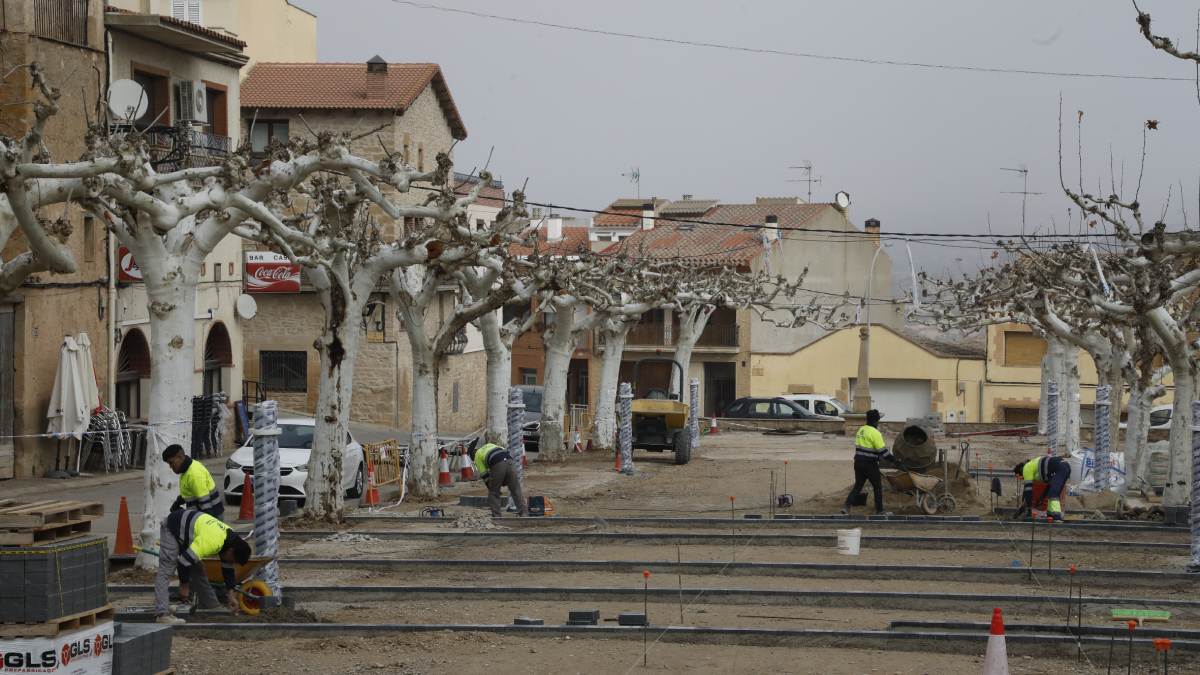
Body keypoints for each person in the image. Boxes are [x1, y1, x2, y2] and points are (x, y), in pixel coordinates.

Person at [154, 509, 251, 624]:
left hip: (188, 533)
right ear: (230, 551)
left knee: (198, 568)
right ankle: (161, 614)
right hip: (172, 526)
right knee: (166, 569)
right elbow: (183, 562)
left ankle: (211, 605)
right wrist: (185, 586)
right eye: (232, 560)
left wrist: (231, 594)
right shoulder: (213, 542)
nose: (231, 563)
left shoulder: (230, 540)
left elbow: (228, 569)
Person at [162, 444, 223, 604]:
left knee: (192, 557)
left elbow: (205, 503)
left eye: (171, 462)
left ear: (180, 458)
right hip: (198, 518)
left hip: (209, 518)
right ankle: (189, 594)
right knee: (191, 558)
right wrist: (177, 503)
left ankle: (190, 593)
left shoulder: (194, 473)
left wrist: (207, 527)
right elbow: (188, 492)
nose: (170, 466)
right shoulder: (185, 470)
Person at [842, 409, 896, 516]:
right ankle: (880, 510)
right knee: (877, 486)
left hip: (858, 463)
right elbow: (883, 452)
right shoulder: (875, 433)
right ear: (877, 421)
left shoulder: (861, 430)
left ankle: (846, 507)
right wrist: (894, 460)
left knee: (858, 486)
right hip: (869, 464)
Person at [471, 442, 528, 517]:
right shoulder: (490, 445)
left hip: (497, 464)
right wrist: (504, 477)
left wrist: (492, 486)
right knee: (515, 489)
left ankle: (497, 516)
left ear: (473, 456)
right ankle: (524, 512)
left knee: (493, 493)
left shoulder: (477, 457)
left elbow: (484, 476)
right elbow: (506, 453)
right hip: (510, 462)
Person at [1013, 455, 1071, 520]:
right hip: (1065, 467)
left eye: (1021, 477)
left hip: (1060, 468)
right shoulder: (1035, 468)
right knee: (1051, 492)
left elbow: (1028, 490)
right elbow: (1049, 486)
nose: (1023, 478)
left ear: (1021, 471)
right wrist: (1042, 498)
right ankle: (1050, 516)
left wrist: (1029, 510)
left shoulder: (1026, 469)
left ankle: (1057, 518)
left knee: (1054, 494)